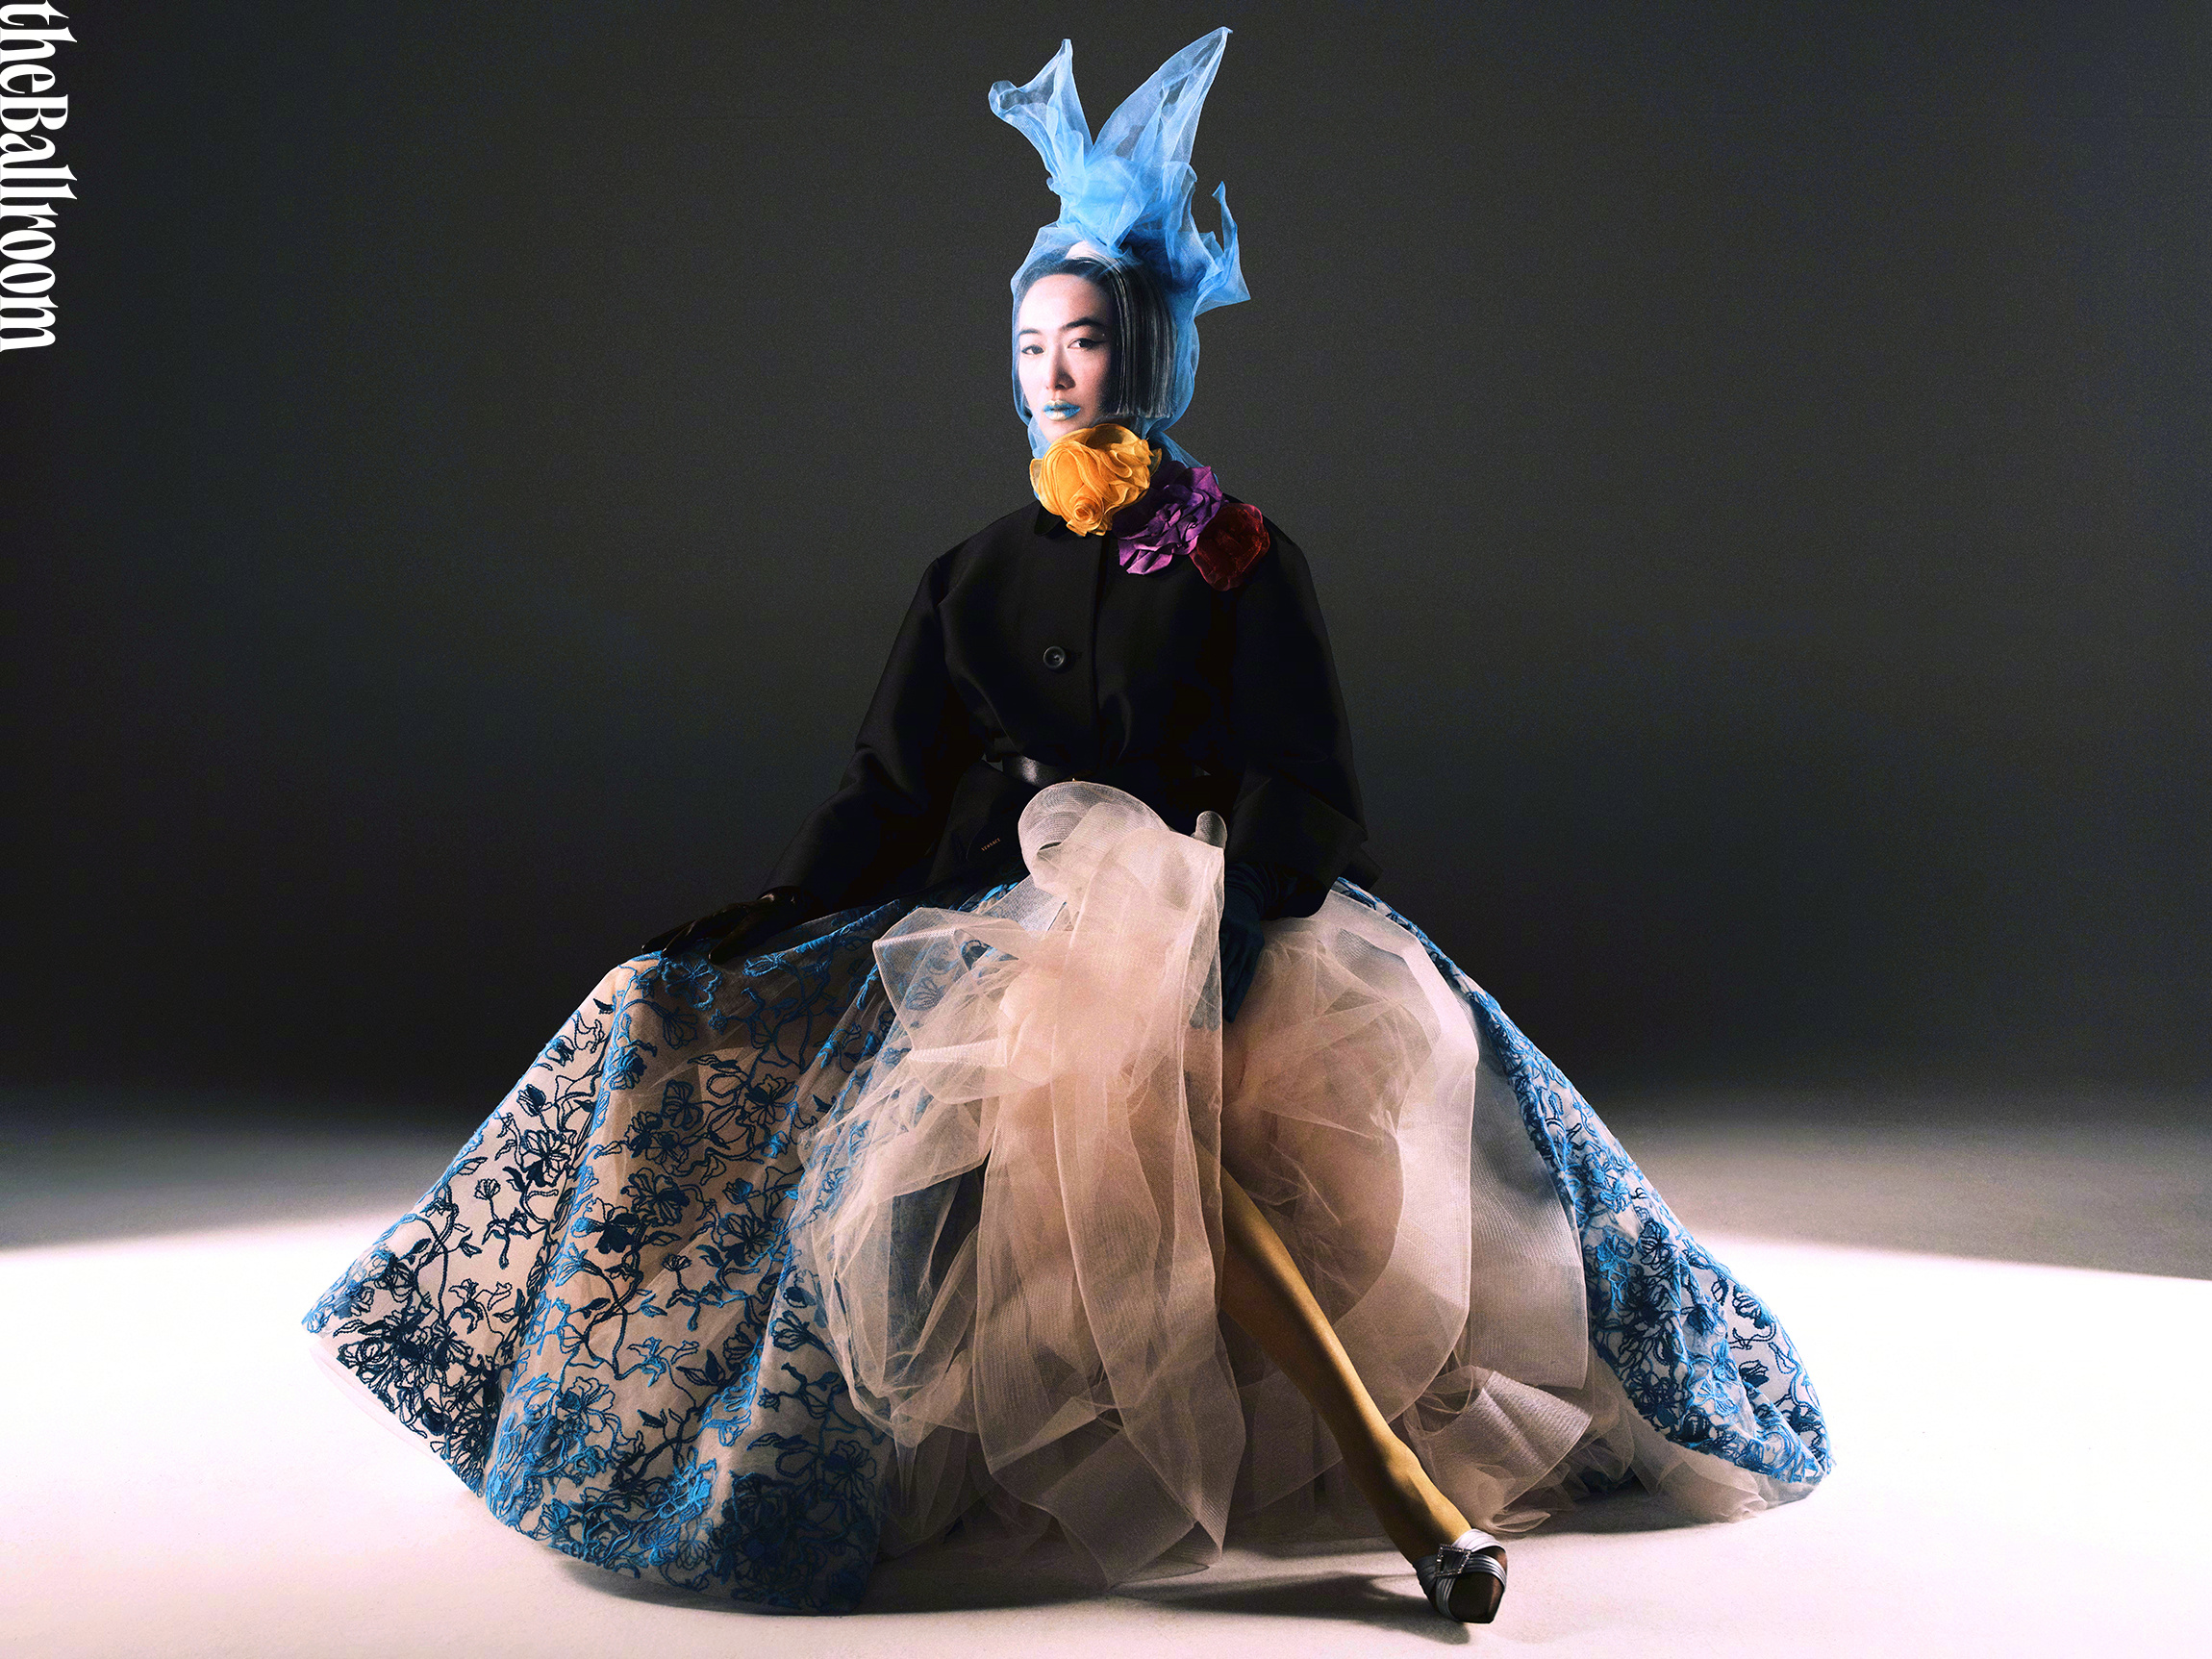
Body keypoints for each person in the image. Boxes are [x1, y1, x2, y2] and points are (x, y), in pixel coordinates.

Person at [303, 28, 1830, 1624]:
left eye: (1083, 341)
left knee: (1170, 1120)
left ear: (1144, 353)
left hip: (1221, 911)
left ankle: (1400, 1480)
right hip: (1008, 922)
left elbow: (1308, 780)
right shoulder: (971, 575)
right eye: (1030, 342)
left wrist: (1228, 930)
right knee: (738, 1040)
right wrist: (778, 905)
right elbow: (890, 784)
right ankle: (1092, 1459)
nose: (1051, 370)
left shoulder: (1240, 554)